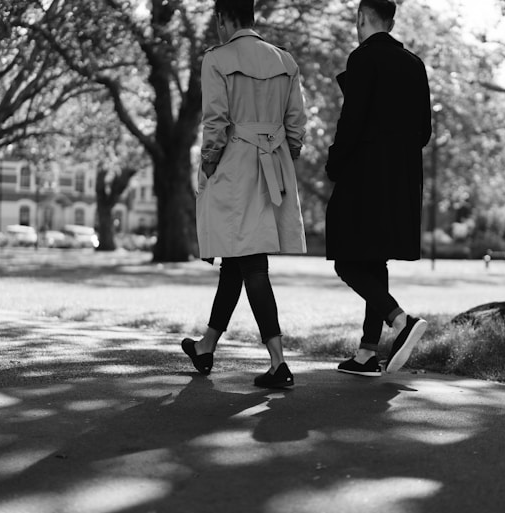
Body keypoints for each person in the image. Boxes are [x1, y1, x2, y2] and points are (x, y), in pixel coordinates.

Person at [181, 0, 307, 389]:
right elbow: (297, 125)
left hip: (235, 165)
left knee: (250, 261)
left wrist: (208, 164)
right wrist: (284, 158)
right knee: (235, 261)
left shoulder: (216, 59)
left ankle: (278, 362)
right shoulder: (285, 61)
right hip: (272, 165)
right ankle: (206, 346)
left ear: (223, 18)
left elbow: (215, 121)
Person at [325, 0, 432, 377]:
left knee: (346, 258)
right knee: (374, 259)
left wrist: (335, 163)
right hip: (402, 178)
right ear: (391, 20)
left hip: (364, 175)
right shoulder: (415, 64)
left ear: (361, 18)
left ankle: (399, 320)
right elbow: (425, 131)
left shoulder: (363, 58)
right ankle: (367, 353)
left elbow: (350, 122)